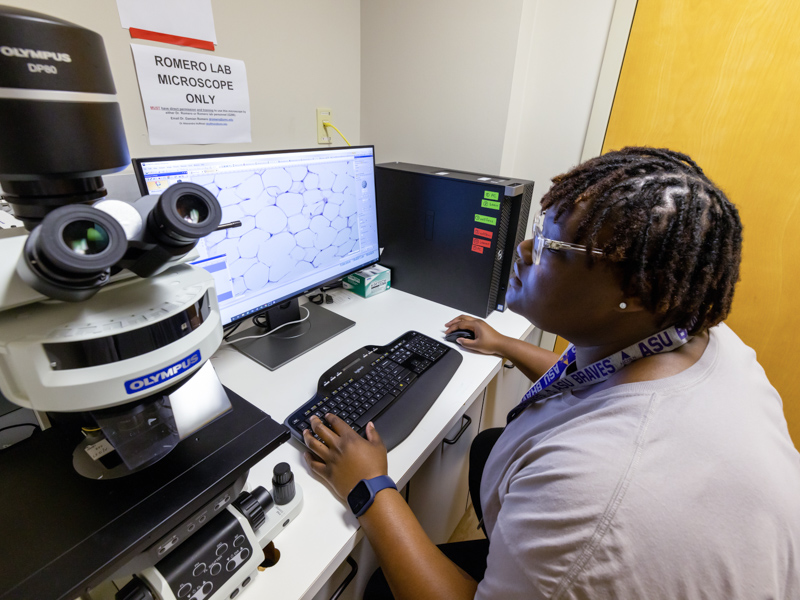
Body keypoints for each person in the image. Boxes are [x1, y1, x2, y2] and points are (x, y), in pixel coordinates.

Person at [302, 147, 800, 599]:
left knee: (381, 590)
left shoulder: (593, 497)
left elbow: (596, 501)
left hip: (604, 554)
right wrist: (506, 345)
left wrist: (368, 487)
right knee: (487, 447)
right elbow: (602, 383)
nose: (520, 250)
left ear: (641, 294)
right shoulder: (697, 336)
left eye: (551, 248)